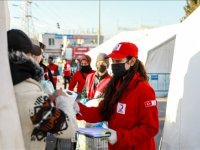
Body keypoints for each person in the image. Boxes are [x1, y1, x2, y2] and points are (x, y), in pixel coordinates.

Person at [74, 42, 159, 150]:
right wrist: (79, 109)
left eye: (118, 61)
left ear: (132, 61)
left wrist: (119, 137)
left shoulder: (144, 90)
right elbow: (102, 112)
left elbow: (151, 128)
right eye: (113, 61)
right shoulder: (115, 86)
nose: (114, 64)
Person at [7, 29, 77, 150]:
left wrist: (48, 100)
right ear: (27, 57)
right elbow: (68, 129)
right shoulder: (30, 95)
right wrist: (63, 101)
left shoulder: (7, 85)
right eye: (32, 54)